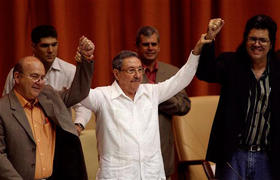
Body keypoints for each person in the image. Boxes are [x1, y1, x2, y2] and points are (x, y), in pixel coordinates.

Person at [80, 31, 212, 179]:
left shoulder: (151, 92)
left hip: (152, 174)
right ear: (116, 74)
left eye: (139, 70)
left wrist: (197, 51)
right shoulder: (102, 96)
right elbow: (80, 94)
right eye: (131, 70)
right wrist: (85, 62)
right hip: (118, 175)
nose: (137, 75)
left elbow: (181, 79)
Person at [197, 15, 280, 179]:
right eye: (252, 39)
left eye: (263, 40)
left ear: (271, 44)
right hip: (233, 155)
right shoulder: (231, 63)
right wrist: (209, 38)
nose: (257, 44)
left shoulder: (278, 70)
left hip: (267, 158)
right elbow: (205, 73)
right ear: (245, 40)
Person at [0, 36, 95, 180]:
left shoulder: (48, 94)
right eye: (34, 76)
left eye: (42, 78)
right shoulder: (3, 109)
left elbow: (79, 93)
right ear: (17, 77)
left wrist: (86, 60)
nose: (39, 82)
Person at [2, 25, 92, 134]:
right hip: (27, 134)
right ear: (33, 47)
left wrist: (78, 125)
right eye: (45, 46)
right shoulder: (17, 73)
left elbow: (82, 102)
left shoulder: (69, 71)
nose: (50, 50)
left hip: (60, 134)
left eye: (54, 45)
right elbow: (7, 106)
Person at [135, 26, 191, 179]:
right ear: (138, 47)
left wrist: (153, 95)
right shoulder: (129, 71)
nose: (150, 48)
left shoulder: (172, 72)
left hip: (163, 151)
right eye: (146, 44)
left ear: (159, 47)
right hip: (135, 150)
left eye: (154, 44)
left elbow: (184, 106)